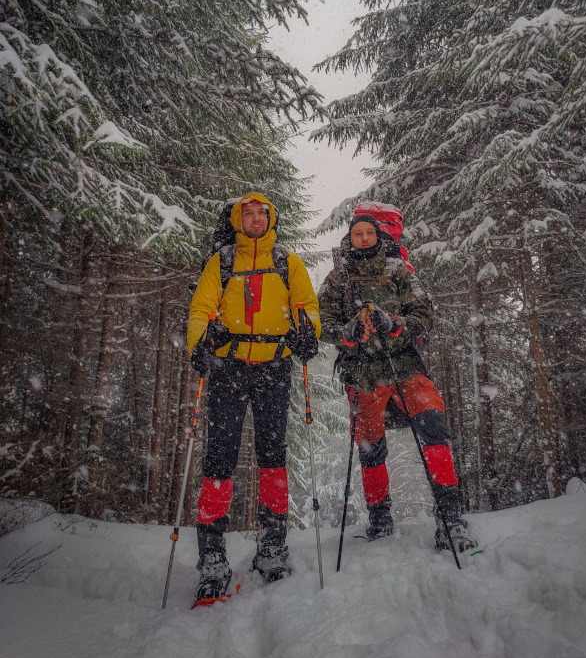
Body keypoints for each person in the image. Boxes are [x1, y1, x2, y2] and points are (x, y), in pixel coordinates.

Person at [317, 211, 476, 551]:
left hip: (404, 365)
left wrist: (395, 324)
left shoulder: (398, 271)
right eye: (357, 233)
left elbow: (425, 313)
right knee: (370, 446)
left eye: (369, 233)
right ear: (350, 239)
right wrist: (345, 332)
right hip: (363, 372)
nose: (363, 238)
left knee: (434, 427)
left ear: (378, 237)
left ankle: (449, 517)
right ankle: (380, 519)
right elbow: (320, 321)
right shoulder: (338, 278)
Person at [187, 192, 320, 598]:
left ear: (271, 218)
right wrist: (201, 343)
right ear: (237, 220)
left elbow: (306, 305)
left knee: (272, 455)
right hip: (228, 368)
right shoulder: (222, 261)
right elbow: (201, 308)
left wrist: (308, 333)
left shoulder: (287, 261)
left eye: (262, 212)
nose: (256, 218)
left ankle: (273, 547)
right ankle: (212, 557)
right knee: (220, 456)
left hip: (274, 368)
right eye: (248, 213)